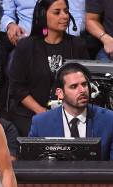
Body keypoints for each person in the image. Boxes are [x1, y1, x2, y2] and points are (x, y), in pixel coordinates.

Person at [8, 0, 88, 138]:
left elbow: (85, 83)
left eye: (66, 11)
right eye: (57, 12)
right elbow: (18, 88)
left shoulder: (78, 45)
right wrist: (42, 112)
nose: (64, 16)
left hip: (71, 114)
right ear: (43, 16)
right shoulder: (26, 47)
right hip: (32, 114)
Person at [28, 62, 113, 160]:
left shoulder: (110, 120)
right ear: (60, 93)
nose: (82, 90)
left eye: (84, 84)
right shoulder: (40, 123)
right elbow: (32, 165)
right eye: (74, 86)